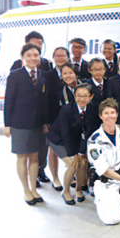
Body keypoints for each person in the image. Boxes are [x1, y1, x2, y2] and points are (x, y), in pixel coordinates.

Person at [4, 43, 48, 205]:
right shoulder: (15, 75)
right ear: (22, 57)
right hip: (19, 123)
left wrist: (44, 122)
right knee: (22, 157)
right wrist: (7, 124)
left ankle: (34, 189)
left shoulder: (43, 76)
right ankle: (26, 190)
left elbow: (44, 102)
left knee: (35, 157)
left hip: (37, 123)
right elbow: (9, 101)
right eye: (28, 55)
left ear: (39, 57)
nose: (32, 58)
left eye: (35, 55)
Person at [10, 31, 53, 184]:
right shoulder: (16, 68)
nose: (34, 55)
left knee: (39, 152)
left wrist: (46, 120)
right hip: (21, 120)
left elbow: (46, 95)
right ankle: (27, 186)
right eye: (33, 44)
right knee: (23, 154)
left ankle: (38, 176)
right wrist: (7, 124)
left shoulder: (45, 68)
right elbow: (11, 98)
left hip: (39, 119)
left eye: (39, 44)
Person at [46, 83, 100, 205]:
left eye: (85, 96)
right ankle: (65, 191)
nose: (82, 99)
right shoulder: (66, 109)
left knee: (82, 162)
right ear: (74, 96)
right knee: (73, 164)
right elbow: (65, 133)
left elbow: (87, 132)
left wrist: (81, 153)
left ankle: (78, 189)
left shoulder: (92, 109)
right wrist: (72, 154)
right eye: (78, 96)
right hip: (58, 139)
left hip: (77, 139)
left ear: (91, 97)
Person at [45, 47, 71, 190]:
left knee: (69, 147)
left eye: (63, 55)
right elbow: (45, 100)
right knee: (53, 149)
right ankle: (55, 178)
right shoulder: (47, 75)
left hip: (70, 117)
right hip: (53, 117)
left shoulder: (72, 72)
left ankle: (71, 174)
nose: (60, 58)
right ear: (53, 57)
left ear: (68, 57)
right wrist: (46, 120)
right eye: (57, 55)